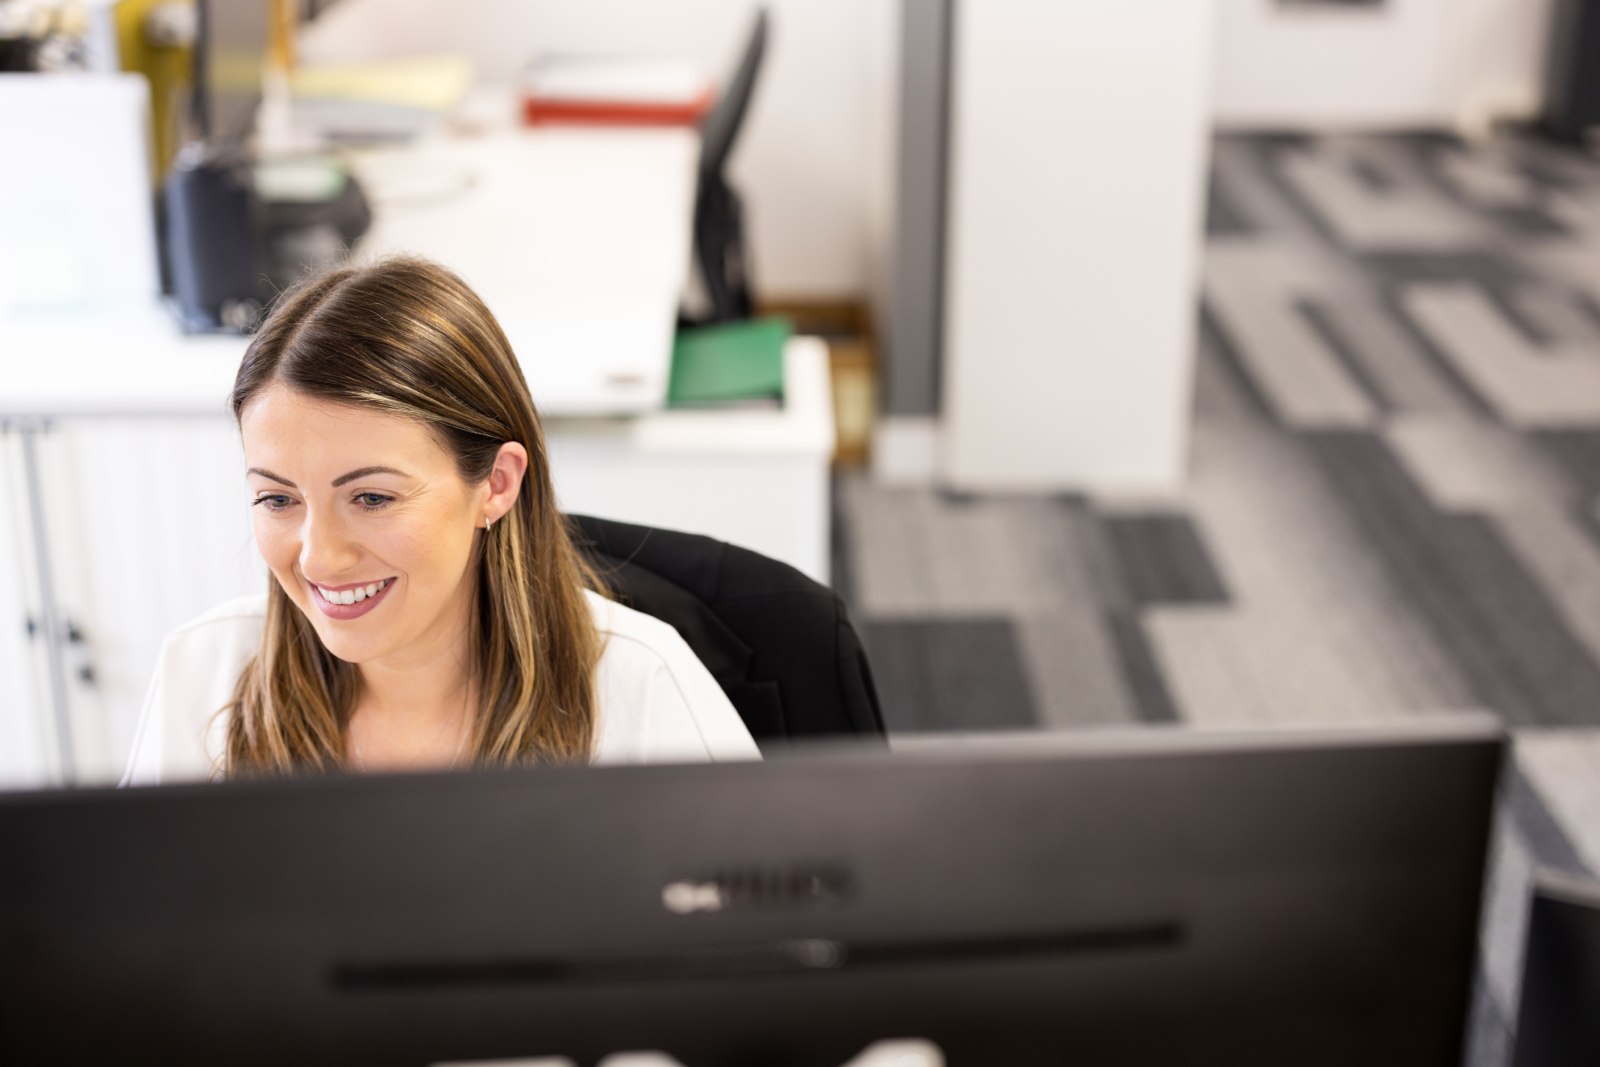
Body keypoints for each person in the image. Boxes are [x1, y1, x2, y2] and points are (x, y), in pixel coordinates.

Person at [123, 258, 759, 784]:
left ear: (497, 485)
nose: (318, 558)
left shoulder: (643, 693)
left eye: (371, 498)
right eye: (278, 499)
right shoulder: (202, 676)